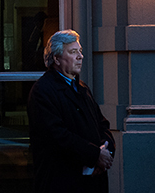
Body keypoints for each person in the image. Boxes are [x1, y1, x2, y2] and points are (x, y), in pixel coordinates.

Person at [27, 29, 115, 193]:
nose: (80, 56)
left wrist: (106, 153)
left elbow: (102, 125)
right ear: (57, 58)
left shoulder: (82, 88)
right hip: (63, 183)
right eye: (73, 52)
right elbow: (57, 136)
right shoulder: (43, 91)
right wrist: (95, 155)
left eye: (80, 51)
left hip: (92, 181)